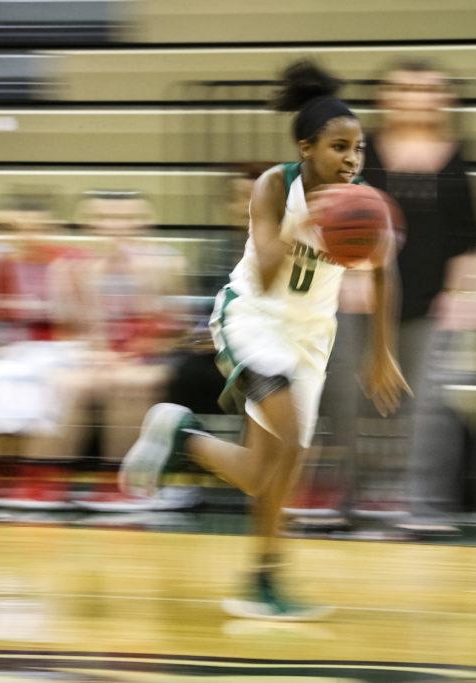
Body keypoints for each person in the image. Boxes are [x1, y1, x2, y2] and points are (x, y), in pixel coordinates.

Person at [119, 60, 409, 620]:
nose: (352, 160)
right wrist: (306, 226)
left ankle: (258, 575)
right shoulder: (273, 186)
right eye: (338, 147)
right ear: (306, 147)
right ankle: (187, 445)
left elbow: (383, 272)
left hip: (310, 337)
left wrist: (381, 353)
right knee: (288, 435)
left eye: (360, 149)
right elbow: (270, 274)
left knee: (269, 472)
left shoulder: (364, 201)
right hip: (252, 317)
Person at [361, 60, 476, 534]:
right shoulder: (363, 152)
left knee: (428, 403)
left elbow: (472, 237)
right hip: (366, 304)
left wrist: (462, 293)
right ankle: (364, 501)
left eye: (427, 89)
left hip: (432, 303)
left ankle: (426, 505)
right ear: (386, 97)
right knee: (361, 399)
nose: (416, 96)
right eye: (405, 88)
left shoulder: (457, 156)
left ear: (443, 99)